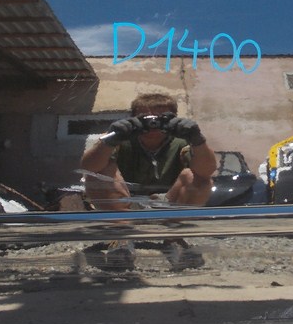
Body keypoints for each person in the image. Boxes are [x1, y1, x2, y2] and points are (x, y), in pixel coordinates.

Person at [79, 93, 217, 270]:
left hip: (167, 203)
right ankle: (121, 235)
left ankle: (173, 236)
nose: (153, 124)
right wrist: (110, 140)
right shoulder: (119, 138)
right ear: (132, 118)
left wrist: (198, 140)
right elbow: (89, 167)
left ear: (173, 119)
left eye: (161, 119)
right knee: (99, 173)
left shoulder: (183, 142)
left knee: (196, 178)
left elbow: (206, 171)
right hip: (125, 203)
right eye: (145, 118)